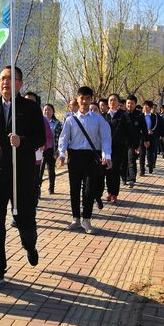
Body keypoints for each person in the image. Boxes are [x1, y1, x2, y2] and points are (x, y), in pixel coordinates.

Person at [0, 66, 45, 290]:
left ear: (20, 83)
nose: (5, 82)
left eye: (11, 79)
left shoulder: (30, 108)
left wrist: (22, 142)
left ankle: (30, 245)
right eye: (2, 79)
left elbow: (40, 138)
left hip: (22, 176)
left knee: (25, 219)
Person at [58, 86, 112, 235]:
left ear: (90, 100)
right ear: (78, 99)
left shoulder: (98, 119)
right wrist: (62, 154)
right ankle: (75, 218)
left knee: (89, 190)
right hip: (75, 156)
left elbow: (106, 138)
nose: (85, 101)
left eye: (88, 98)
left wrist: (107, 155)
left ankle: (86, 219)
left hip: (91, 157)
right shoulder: (70, 120)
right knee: (74, 189)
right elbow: (64, 138)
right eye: (82, 98)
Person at [24, 92, 53, 200]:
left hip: (36, 157)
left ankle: (33, 200)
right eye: (26, 100)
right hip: (21, 156)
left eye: (32, 101)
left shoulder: (42, 119)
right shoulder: (18, 117)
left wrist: (44, 145)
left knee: (34, 180)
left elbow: (49, 138)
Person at [104, 93, 133, 202]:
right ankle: (109, 192)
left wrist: (132, 144)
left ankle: (114, 194)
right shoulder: (104, 116)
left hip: (119, 147)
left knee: (115, 170)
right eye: (110, 100)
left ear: (118, 102)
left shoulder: (123, 115)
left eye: (115, 100)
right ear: (108, 103)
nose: (112, 102)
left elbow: (129, 131)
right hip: (106, 148)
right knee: (107, 170)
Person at [41, 104, 63, 195]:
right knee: (40, 170)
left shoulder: (57, 123)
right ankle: (38, 189)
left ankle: (51, 188)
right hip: (41, 149)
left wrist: (58, 151)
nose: (47, 112)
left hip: (51, 150)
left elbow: (60, 138)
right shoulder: (40, 122)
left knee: (51, 170)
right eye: (45, 110)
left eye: (49, 110)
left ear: (53, 111)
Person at [125, 94, 143, 188]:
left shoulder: (139, 116)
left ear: (135, 104)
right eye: (128, 103)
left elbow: (143, 130)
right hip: (123, 142)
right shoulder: (122, 114)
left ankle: (131, 178)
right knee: (124, 161)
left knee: (131, 160)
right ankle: (126, 177)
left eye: (132, 103)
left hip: (134, 142)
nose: (129, 105)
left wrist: (145, 141)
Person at [139, 100, 160, 175]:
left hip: (151, 136)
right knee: (142, 154)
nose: (145, 107)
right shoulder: (140, 116)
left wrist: (152, 131)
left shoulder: (154, 117)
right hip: (142, 137)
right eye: (144, 106)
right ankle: (142, 170)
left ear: (150, 108)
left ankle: (150, 166)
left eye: (147, 106)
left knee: (150, 153)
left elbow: (156, 125)